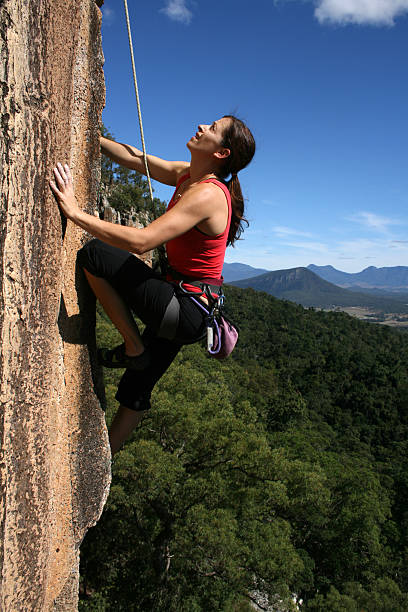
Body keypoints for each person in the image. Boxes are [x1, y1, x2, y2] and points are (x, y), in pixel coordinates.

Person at [50, 115, 255, 454]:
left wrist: (75, 213)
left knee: (94, 256)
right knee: (136, 391)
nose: (202, 126)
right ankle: (104, 462)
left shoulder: (208, 195)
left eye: (213, 129)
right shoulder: (188, 175)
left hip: (183, 307)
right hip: (190, 307)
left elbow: (142, 242)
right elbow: (134, 158)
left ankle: (133, 345)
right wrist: (91, 135)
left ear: (221, 152)